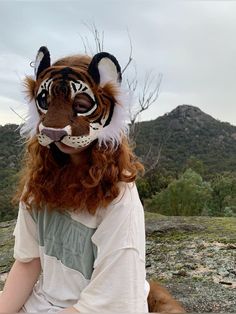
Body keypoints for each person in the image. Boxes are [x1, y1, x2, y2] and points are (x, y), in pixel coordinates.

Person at [0, 46, 148, 313]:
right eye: (47, 104)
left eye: (80, 106)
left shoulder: (119, 195)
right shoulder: (39, 184)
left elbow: (112, 299)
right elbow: (28, 262)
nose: (57, 127)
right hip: (42, 302)